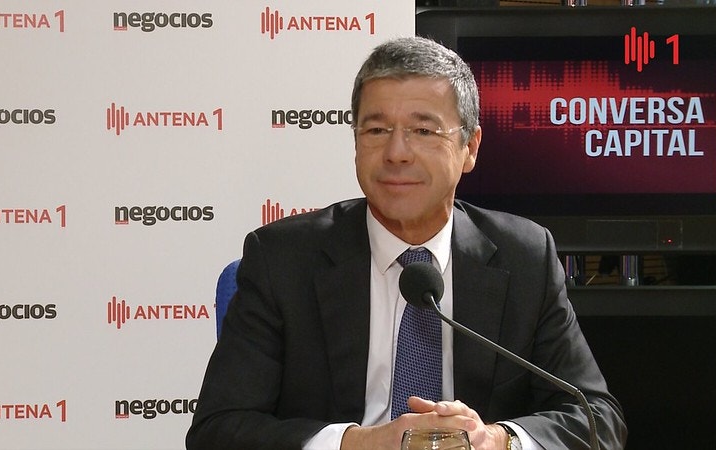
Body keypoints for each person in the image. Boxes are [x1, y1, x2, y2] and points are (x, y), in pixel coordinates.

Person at [186, 36, 627, 450]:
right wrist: (361, 443)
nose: (397, 152)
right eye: (376, 130)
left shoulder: (524, 257)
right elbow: (217, 430)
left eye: (423, 131)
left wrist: (496, 439)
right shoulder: (283, 260)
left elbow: (597, 418)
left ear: (470, 147)